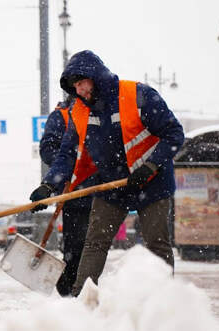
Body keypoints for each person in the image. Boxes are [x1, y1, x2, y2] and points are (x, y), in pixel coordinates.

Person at [29, 50, 185, 296]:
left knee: (156, 243)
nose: (79, 91)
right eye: (75, 87)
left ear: (95, 76)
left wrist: (150, 166)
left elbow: (174, 134)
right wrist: (49, 186)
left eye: (81, 83)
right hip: (112, 184)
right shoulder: (79, 112)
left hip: (152, 181)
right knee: (95, 242)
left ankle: (163, 301)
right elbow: (67, 155)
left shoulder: (137, 95)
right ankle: (83, 300)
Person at [39, 96, 98, 296]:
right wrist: (72, 169)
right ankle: (71, 290)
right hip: (75, 193)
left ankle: (85, 290)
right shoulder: (62, 116)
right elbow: (48, 149)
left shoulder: (101, 110)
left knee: (96, 246)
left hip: (103, 190)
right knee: (77, 245)